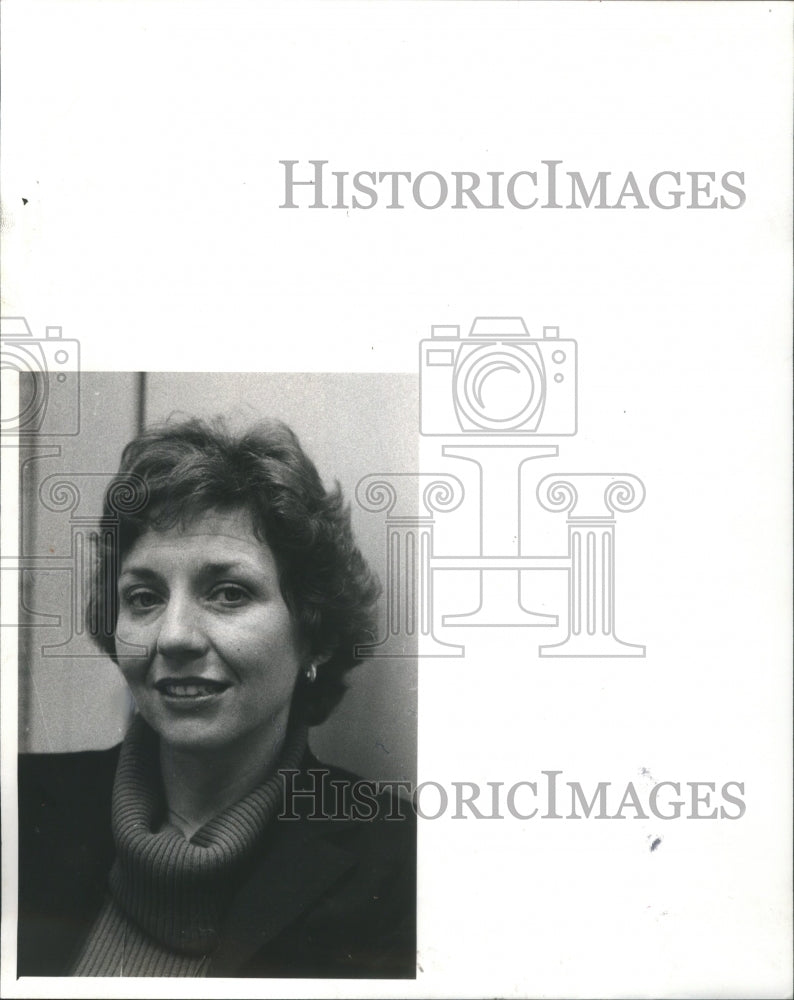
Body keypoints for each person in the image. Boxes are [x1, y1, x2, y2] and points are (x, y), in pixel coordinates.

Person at [18, 417, 416, 978]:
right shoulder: (20, 807)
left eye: (229, 593)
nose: (175, 635)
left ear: (314, 632)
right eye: (144, 597)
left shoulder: (399, 863)